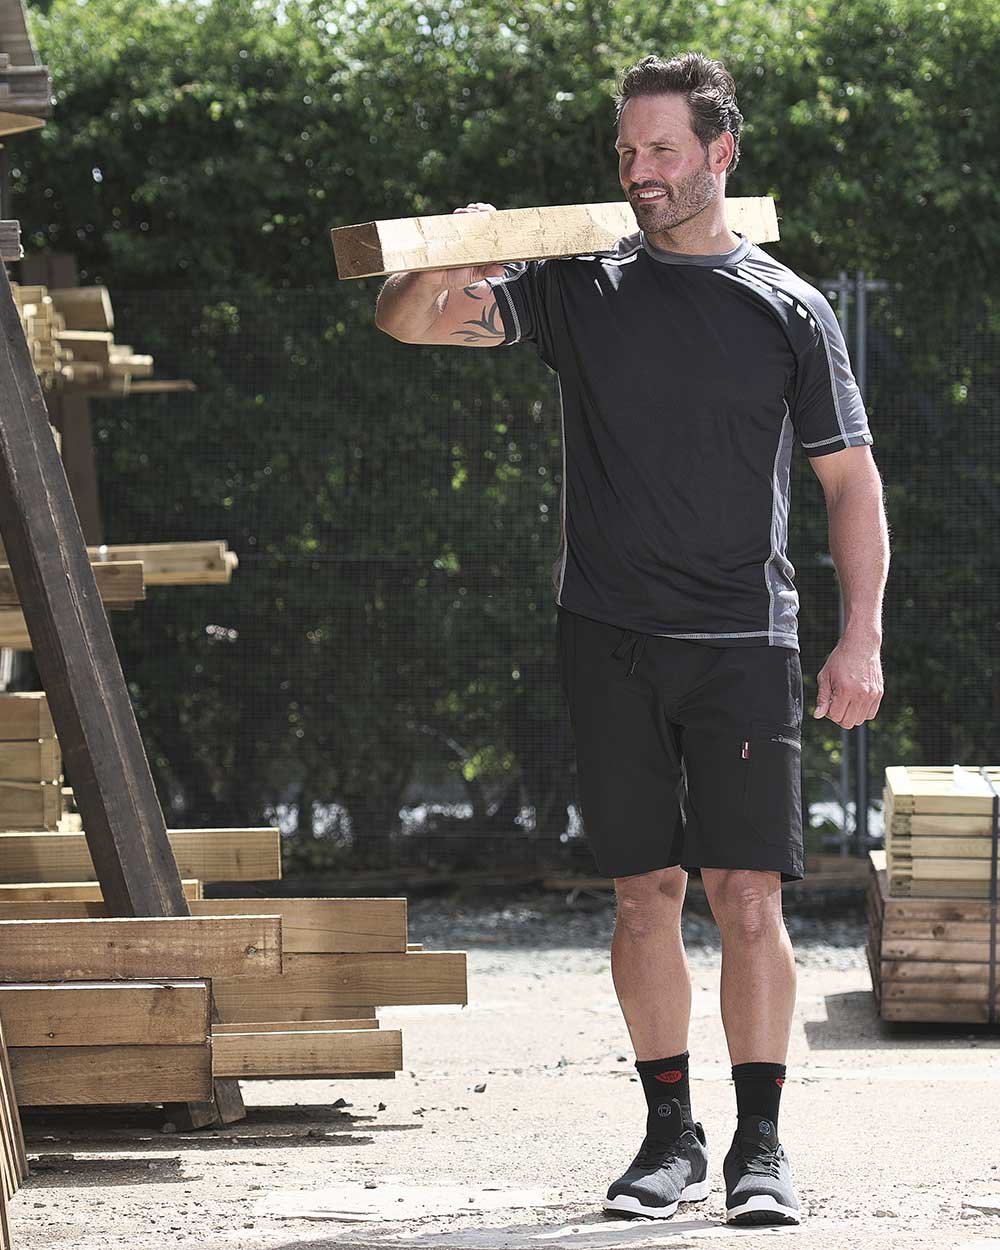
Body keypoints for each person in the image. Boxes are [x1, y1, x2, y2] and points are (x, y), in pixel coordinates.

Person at [375, 50, 888, 1227]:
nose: (640, 172)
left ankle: (760, 1145)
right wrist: (455, 248)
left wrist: (857, 638)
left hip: (743, 639)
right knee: (643, 895)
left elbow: (849, 484)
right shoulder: (577, 289)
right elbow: (407, 322)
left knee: (746, 895)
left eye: (662, 149)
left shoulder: (788, 310)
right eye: (625, 152)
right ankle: (669, 1138)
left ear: (720, 153)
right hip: (605, 633)